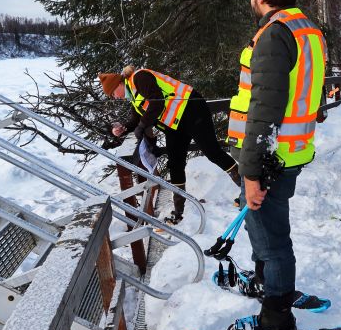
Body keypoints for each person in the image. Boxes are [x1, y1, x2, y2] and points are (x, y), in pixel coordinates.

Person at [225, 0, 327, 330]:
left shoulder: (275, 33)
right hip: (291, 151)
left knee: (271, 237)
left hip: (272, 156)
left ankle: (276, 319)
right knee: (266, 229)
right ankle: (268, 282)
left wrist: (251, 172)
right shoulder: (307, 30)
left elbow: (264, 109)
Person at [99, 67, 241, 224]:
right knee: (175, 164)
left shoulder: (140, 78)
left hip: (192, 110)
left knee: (213, 152)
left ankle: (246, 190)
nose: (114, 98)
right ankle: (178, 212)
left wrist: (142, 125)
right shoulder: (133, 94)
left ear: (118, 84)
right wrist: (124, 128)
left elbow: (157, 102)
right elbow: (137, 119)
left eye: (112, 94)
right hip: (175, 124)